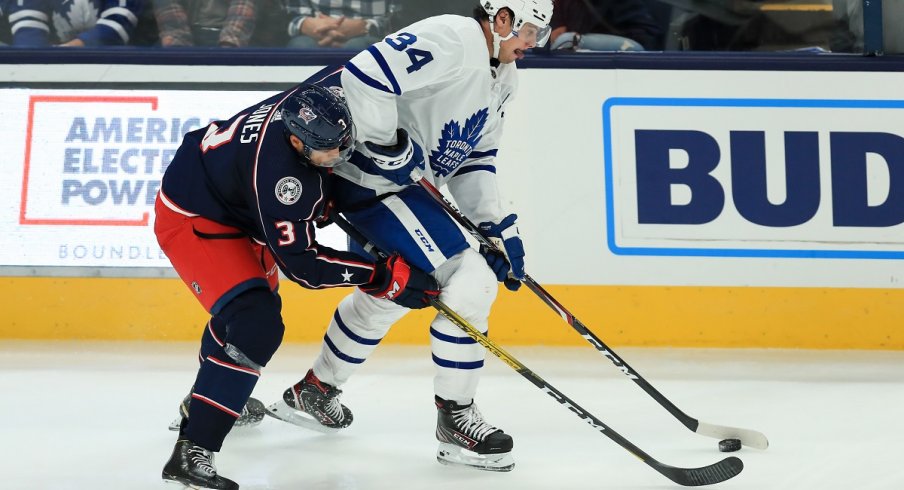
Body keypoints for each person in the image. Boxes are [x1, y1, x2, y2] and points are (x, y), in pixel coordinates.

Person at [265, 0, 552, 472]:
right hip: (367, 183)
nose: (532, 44)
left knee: (390, 292)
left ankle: (313, 391)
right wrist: (385, 144)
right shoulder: (453, 37)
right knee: (471, 278)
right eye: (531, 32)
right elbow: (362, 76)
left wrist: (499, 228)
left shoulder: (504, 78)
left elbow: (474, 162)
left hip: (397, 191)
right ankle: (455, 419)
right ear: (502, 18)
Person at [155, 84, 439, 489]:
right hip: (197, 218)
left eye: (344, 144)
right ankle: (193, 448)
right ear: (295, 141)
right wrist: (380, 275)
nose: (339, 157)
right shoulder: (282, 180)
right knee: (256, 322)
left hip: (236, 203)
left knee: (249, 311)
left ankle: (201, 400)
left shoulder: (310, 108)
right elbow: (305, 267)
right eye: (328, 152)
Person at [0, 0, 143, 47]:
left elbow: (116, 26)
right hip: (51, 73)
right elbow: (28, 33)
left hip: (114, 69)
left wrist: (64, 52)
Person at [549, 0, 660, 52]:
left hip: (633, 54)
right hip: (580, 56)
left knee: (567, 39)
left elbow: (568, 37)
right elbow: (556, 32)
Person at [283, 0, 397, 50]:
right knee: (301, 47)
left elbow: (398, 19)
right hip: (316, 31)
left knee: (358, 49)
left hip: (368, 33)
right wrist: (305, 24)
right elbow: (292, 15)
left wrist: (365, 26)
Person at [153, 0, 257, 47]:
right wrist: (178, 50)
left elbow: (242, 8)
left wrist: (228, 47)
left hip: (229, 37)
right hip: (182, 37)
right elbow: (168, 10)